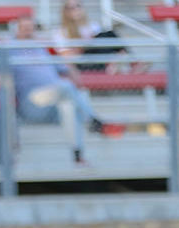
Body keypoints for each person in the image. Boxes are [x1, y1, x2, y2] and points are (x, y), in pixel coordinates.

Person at [11, 15, 116, 165]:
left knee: (68, 107)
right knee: (65, 86)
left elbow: (67, 68)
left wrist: (68, 65)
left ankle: (77, 154)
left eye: (30, 28)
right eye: (24, 28)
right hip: (31, 101)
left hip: (52, 100)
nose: (28, 31)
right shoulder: (10, 49)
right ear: (17, 30)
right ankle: (93, 120)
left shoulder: (41, 48)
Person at [53, 0, 139, 74]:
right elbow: (66, 57)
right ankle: (125, 63)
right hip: (83, 63)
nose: (76, 10)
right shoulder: (61, 32)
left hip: (97, 57)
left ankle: (126, 63)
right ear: (65, 11)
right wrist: (84, 44)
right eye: (71, 8)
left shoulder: (93, 25)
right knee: (102, 37)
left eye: (78, 6)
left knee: (108, 34)